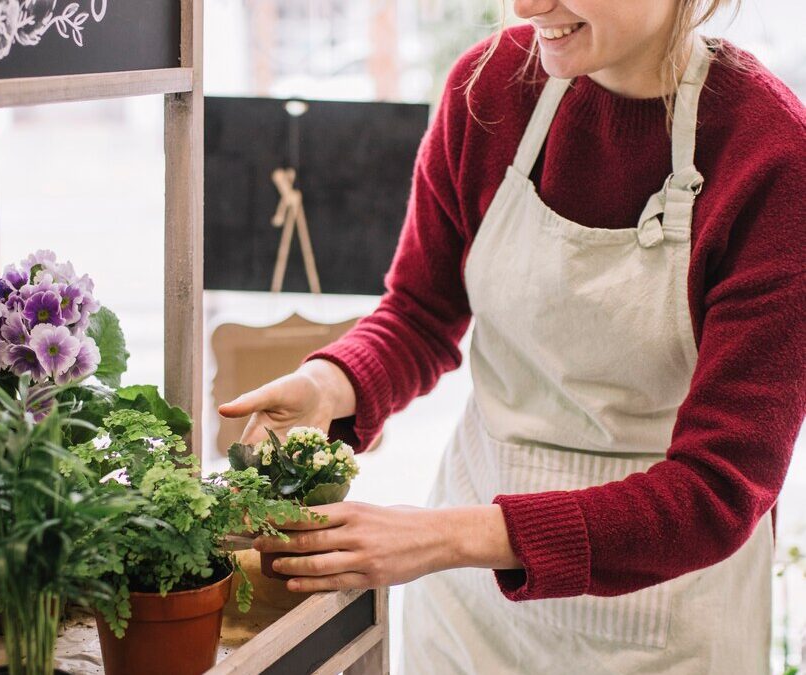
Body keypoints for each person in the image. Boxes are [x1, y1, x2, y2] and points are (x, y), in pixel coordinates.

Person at [218, 1, 806, 672]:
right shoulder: (492, 84)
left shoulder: (770, 156)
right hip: (471, 609)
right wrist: (332, 383)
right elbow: (421, 309)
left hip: (663, 613)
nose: (526, 7)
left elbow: (715, 493)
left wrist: (444, 535)